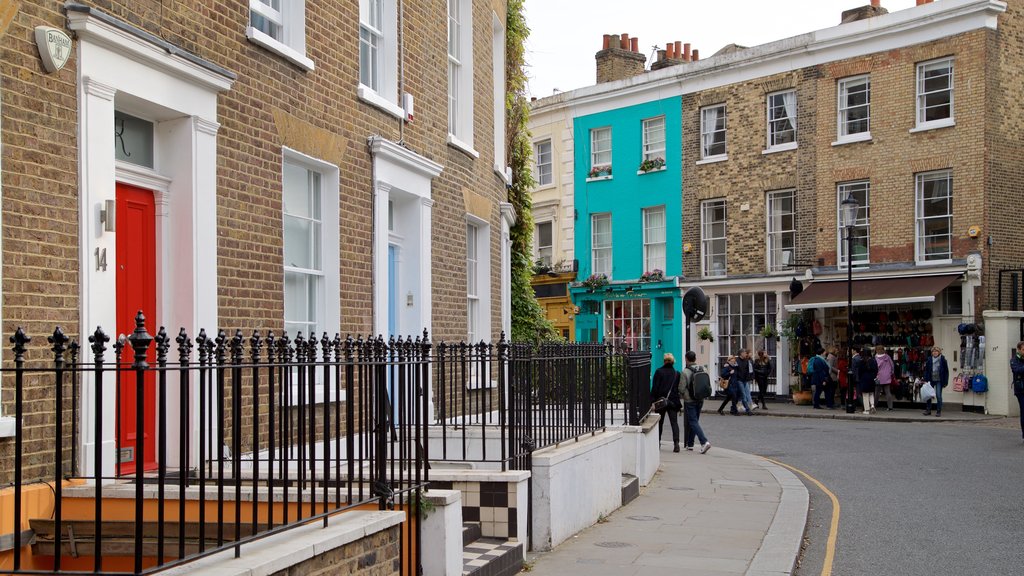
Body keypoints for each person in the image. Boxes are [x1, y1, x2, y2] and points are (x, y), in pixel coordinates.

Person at [680, 351, 712, 453]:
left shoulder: (685, 372)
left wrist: (685, 397)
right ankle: (690, 444)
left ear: (686, 359)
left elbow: (681, 388)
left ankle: (704, 442)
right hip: (700, 398)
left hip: (690, 400)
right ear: (695, 358)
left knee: (693, 422)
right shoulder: (703, 369)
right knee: (694, 422)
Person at [651, 352, 682, 451]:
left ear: (664, 361)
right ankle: (676, 443)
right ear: (673, 362)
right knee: (674, 423)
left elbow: (655, 388)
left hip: (661, 401)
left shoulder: (659, 372)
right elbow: (677, 388)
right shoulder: (677, 373)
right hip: (673, 401)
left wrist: (652, 400)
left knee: (660, 423)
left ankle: (658, 442)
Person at [923, 346, 949, 417]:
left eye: (936, 351)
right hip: (930, 379)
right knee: (928, 395)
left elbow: (946, 371)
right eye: (933, 351)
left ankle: (938, 411)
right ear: (932, 353)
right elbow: (926, 370)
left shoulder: (943, 360)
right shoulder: (929, 359)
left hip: (939, 380)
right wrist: (925, 380)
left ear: (939, 352)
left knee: (938, 395)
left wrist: (945, 382)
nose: (935, 352)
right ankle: (928, 410)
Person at [854, 347, 878, 415]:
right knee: (871, 393)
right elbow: (876, 370)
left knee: (865, 395)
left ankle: (867, 410)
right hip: (871, 379)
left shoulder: (861, 361)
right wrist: (874, 376)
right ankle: (872, 405)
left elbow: (859, 371)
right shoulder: (873, 360)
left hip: (864, 379)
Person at [874, 345, 895, 411]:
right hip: (887, 377)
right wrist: (891, 373)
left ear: (876, 350)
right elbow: (892, 366)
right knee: (888, 392)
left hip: (879, 377)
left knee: (877, 392)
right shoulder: (887, 357)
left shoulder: (876, 358)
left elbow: (875, 367)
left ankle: (874, 405)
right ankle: (890, 407)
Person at [1011, 341, 1024, 442]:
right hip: (1021, 390)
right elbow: (1017, 370)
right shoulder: (1014, 360)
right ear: (1019, 349)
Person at [735, 349, 755, 415]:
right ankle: (748, 410)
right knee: (743, 394)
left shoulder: (746, 361)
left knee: (744, 394)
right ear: (741, 354)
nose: (746, 354)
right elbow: (734, 369)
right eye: (744, 353)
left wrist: (749, 377)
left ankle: (735, 407)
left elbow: (749, 370)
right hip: (739, 380)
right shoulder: (736, 360)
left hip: (745, 380)